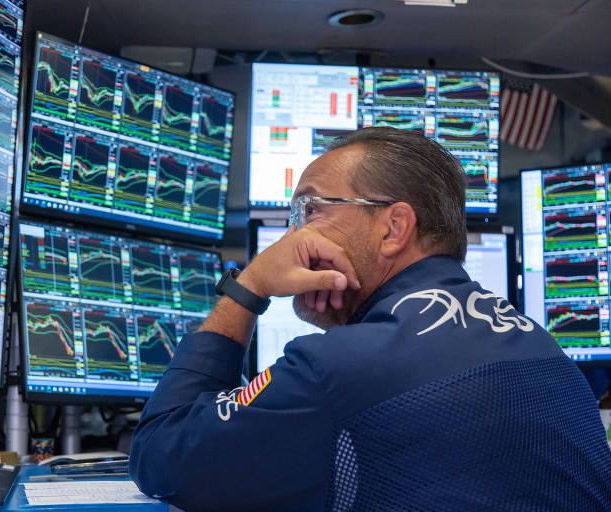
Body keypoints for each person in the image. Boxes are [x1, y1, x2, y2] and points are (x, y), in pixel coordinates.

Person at [129, 127, 611, 511]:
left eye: (309, 209)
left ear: (394, 228)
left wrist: (248, 285)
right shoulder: (541, 346)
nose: (292, 234)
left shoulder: (335, 370)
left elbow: (159, 455)